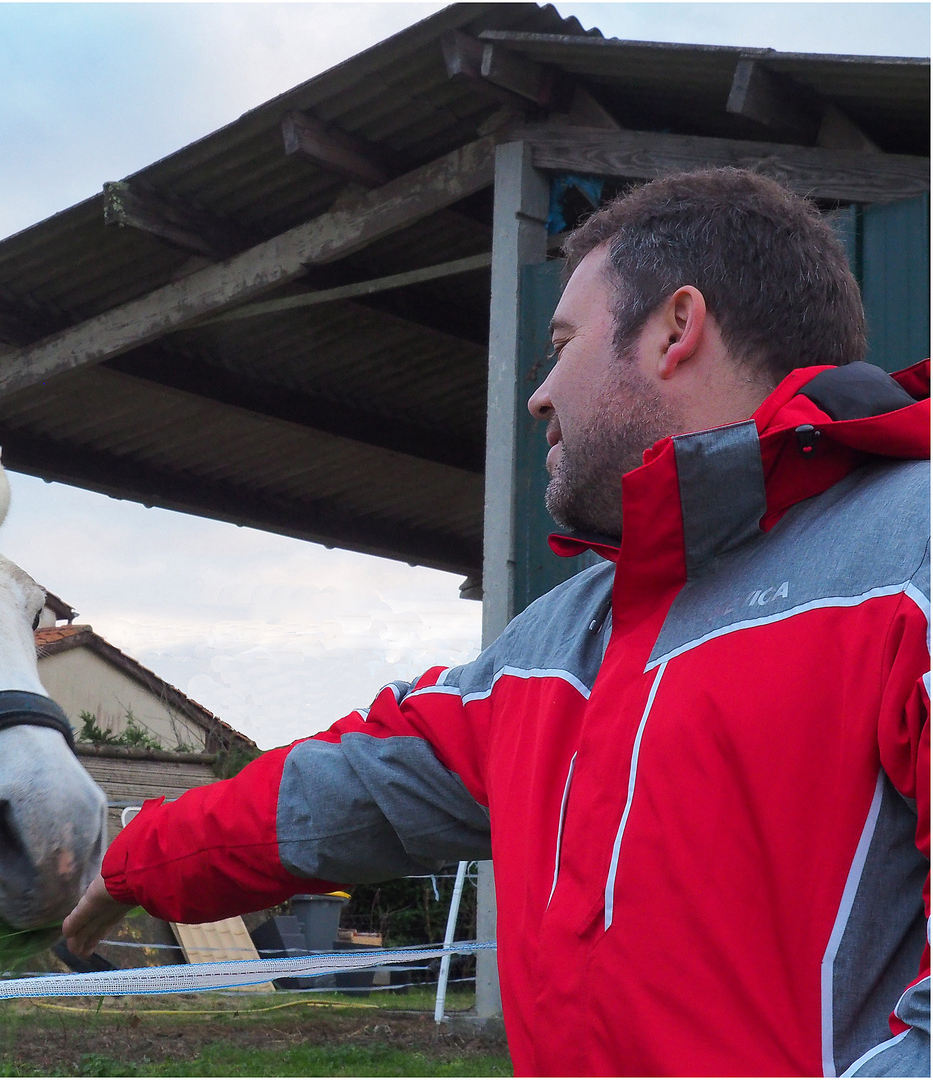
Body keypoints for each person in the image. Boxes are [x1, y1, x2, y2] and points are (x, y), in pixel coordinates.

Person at [62, 169, 930, 1077]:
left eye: (561, 345)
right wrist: (133, 861)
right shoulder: (564, 637)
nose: (538, 395)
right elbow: (352, 786)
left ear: (677, 328)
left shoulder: (910, 561)